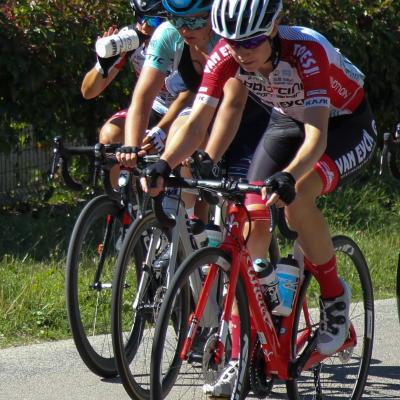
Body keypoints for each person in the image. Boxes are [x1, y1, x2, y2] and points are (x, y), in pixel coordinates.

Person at [141, 0, 378, 396]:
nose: (242, 52)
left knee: (298, 196)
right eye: (233, 42)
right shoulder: (226, 55)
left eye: (251, 41)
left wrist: (288, 176)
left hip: (344, 124)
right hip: (287, 118)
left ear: (273, 29)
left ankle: (335, 300)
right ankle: (242, 348)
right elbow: (199, 118)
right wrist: (164, 163)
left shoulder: (308, 51)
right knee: (248, 211)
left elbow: (317, 137)